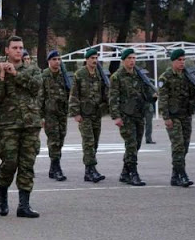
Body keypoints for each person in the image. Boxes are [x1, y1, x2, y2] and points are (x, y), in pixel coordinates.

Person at [0, 36, 42, 218]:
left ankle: (24, 205)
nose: (18, 51)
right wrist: (3, 75)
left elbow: (36, 87)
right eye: (15, 48)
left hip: (30, 124)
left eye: (20, 47)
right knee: (9, 162)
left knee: (27, 164)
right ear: (7, 51)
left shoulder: (32, 69)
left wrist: (16, 75)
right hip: (8, 125)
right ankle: (2, 194)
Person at [158, 49, 195, 187]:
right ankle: (182, 174)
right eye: (179, 60)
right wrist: (166, 118)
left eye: (183, 60)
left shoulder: (188, 77)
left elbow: (194, 96)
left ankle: (175, 175)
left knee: (185, 146)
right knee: (178, 146)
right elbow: (162, 99)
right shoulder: (166, 77)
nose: (182, 62)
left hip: (186, 116)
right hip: (173, 117)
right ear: (173, 61)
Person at [109, 49, 155, 186]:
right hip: (126, 116)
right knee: (131, 145)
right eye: (129, 58)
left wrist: (153, 96)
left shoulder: (139, 75)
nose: (132, 61)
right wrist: (116, 116)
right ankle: (133, 173)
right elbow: (113, 98)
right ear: (123, 60)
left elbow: (146, 94)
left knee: (137, 145)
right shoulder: (117, 77)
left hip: (139, 115)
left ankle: (124, 172)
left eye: (134, 58)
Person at [68, 48, 107, 183]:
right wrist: (76, 113)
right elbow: (74, 94)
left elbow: (104, 93)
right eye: (92, 58)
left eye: (96, 58)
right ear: (87, 59)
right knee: (88, 142)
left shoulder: (99, 74)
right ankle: (91, 169)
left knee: (95, 142)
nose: (94, 60)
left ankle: (88, 171)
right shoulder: (80, 74)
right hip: (84, 114)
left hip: (96, 113)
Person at [41, 49, 69, 181]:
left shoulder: (63, 75)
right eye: (54, 60)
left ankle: (53, 168)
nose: (57, 62)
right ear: (49, 61)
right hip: (50, 113)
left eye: (58, 59)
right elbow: (40, 97)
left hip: (62, 112)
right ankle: (57, 168)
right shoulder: (44, 76)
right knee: (54, 141)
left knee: (61, 139)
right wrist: (41, 116)